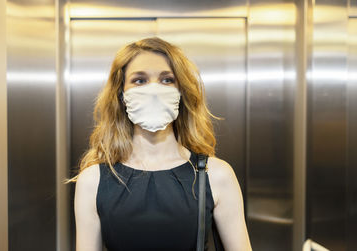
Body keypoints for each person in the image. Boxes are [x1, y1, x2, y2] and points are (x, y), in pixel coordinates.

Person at [67, 37, 252, 251]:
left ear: (181, 92)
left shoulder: (216, 175)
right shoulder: (93, 181)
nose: (153, 90)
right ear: (121, 94)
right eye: (140, 80)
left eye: (167, 80)